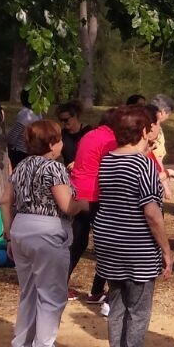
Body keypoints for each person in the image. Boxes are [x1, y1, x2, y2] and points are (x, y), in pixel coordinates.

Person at [92, 105, 171, 347]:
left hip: (109, 241)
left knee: (117, 305)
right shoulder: (143, 164)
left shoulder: (108, 160)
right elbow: (151, 212)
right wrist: (166, 250)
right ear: (142, 131)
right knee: (138, 309)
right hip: (137, 245)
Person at [0, 119, 88, 347]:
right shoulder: (54, 168)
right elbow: (66, 206)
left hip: (20, 229)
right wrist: (84, 203)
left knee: (29, 292)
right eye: (59, 139)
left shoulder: (21, 166)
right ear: (52, 143)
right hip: (47, 231)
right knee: (52, 295)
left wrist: (8, 234)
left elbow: (5, 201)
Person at [68, 109, 118, 305]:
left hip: (78, 192)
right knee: (106, 244)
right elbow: (111, 165)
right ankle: (97, 290)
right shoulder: (110, 140)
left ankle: (61, 284)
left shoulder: (89, 134)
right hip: (96, 195)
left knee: (77, 241)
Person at [6, 90, 39, 168]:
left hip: (28, 153)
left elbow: (12, 137)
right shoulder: (26, 114)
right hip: (20, 153)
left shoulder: (32, 113)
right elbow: (13, 136)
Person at [56, 102, 89, 166]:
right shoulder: (62, 134)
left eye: (66, 120)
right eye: (61, 120)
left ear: (75, 116)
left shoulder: (88, 132)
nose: (63, 123)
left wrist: (77, 163)